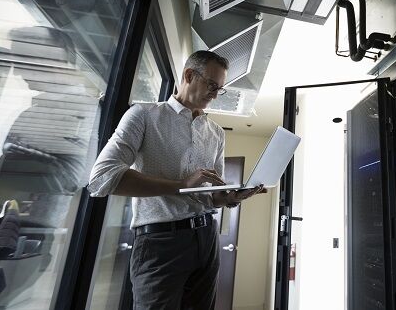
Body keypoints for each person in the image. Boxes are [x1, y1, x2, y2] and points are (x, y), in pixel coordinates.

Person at [88, 50, 265, 310]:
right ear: (189, 75)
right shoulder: (144, 115)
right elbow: (102, 178)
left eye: (221, 89)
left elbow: (212, 195)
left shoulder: (216, 133)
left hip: (207, 238)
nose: (216, 95)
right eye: (212, 85)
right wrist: (181, 185)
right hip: (160, 243)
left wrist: (229, 198)